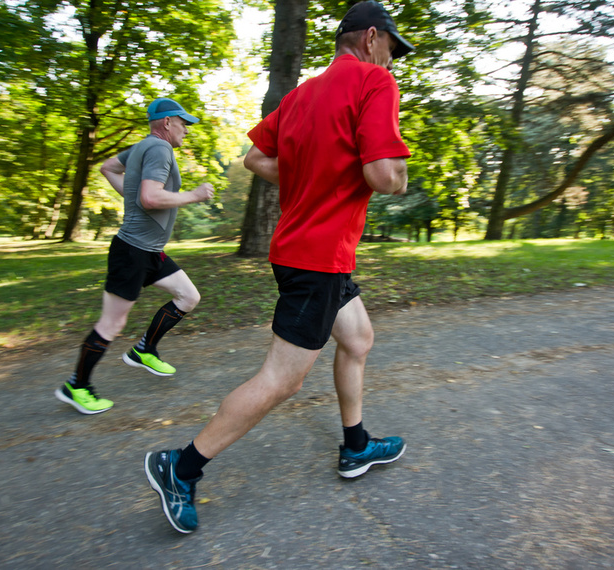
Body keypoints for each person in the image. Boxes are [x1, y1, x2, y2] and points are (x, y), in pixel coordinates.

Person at [144, 1, 415, 533]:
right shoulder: (373, 84)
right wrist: (391, 175)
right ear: (368, 39)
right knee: (280, 380)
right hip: (317, 259)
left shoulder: (301, 95)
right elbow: (385, 176)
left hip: (306, 250)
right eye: (390, 48)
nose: (391, 61)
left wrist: (312, 176)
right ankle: (181, 466)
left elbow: (256, 159)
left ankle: (356, 445)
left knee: (357, 339)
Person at [55, 98, 215, 415]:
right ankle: (77, 386)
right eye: (183, 122)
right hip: (132, 252)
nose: (187, 129)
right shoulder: (159, 149)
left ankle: (145, 349)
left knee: (188, 296)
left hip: (150, 251)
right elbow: (150, 197)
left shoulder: (140, 147)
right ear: (166, 122)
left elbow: (108, 168)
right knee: (111, 323)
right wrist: (193, 196)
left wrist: (132, 197)